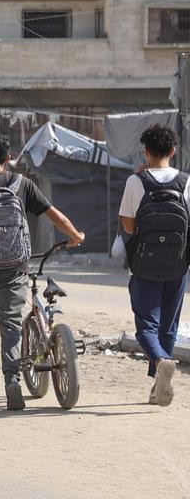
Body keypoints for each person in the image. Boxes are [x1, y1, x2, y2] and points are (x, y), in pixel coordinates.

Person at [0, 134, 85, 410]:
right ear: (9, 157)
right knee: (10, 326)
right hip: (14, 268)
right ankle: (12, 380)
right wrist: (75, 235)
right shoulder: (23, 184)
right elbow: (54, 214)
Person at [118, 125, 190, 406]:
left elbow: (127, 224)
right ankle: (157, 381)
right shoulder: (186, 182)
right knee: (168, 327)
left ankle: (160, 362)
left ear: (145, 152)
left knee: (147, 326)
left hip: (144, 265)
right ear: (173, 151)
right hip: (178, 265)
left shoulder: (135, 182)